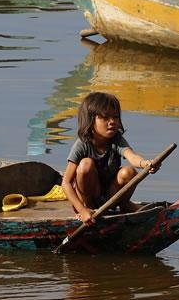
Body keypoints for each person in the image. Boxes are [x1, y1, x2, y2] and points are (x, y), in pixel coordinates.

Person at [61, 92, 160, 225]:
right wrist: (82, 209)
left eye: (115, 117)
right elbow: (65, 182)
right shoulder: (83, 144)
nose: (112, 122)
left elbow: (132, 156)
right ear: (90, 121)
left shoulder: (116, 139)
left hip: (109, 196)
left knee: (128, 172)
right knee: (86, 164)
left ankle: (124, 204)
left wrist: (146, 164)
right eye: (105, 117)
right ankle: (89, 207)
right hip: (87, 199)